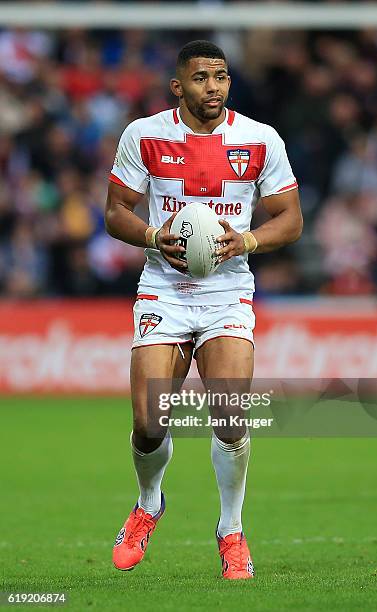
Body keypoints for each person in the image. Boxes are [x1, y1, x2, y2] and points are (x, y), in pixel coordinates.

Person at [105, 40, 302, 580]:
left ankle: (231, 530)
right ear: (178, 86)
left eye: (220, 76)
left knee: (231, 418)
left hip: (227, 292)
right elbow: (115, 211)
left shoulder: (260, 140)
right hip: (164, 289)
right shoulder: (142, 135)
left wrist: (248, 242)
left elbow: (290, 218)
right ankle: (149, 504)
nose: (212, 86)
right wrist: (151, 233)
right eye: (200, 78)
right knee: (148, 423)